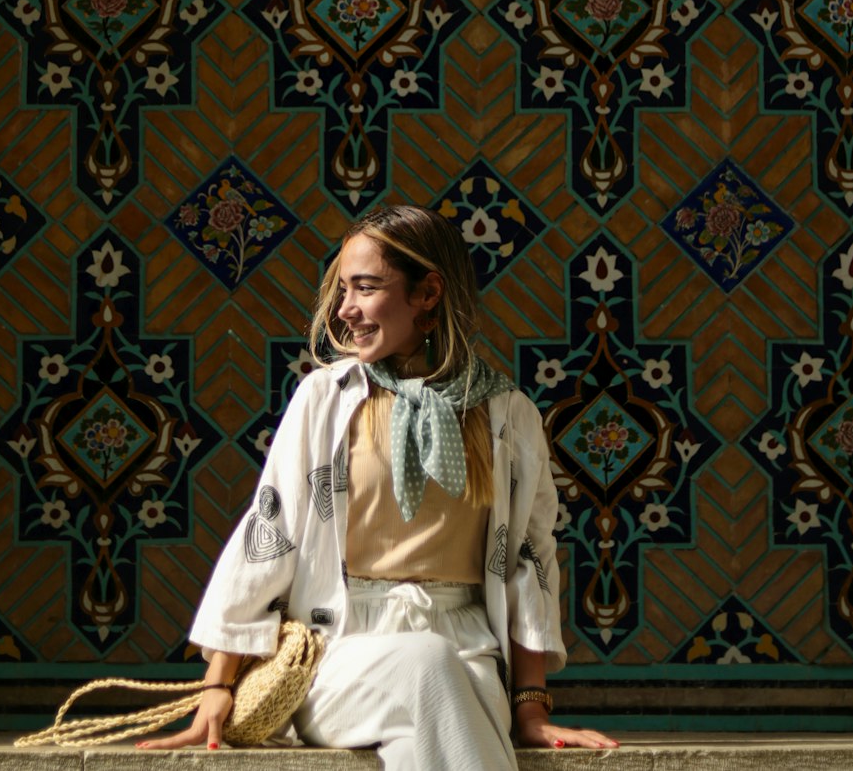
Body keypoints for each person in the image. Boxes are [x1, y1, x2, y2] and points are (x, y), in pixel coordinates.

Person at [139, 205, 618, 764]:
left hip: (469, 653)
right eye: (343, 289)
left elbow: (529, 559)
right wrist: (218, 686)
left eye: (365, 288)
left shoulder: (505, 415)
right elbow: (271, 530)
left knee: (432, 700)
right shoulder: (325, 400)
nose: (345, 309)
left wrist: (531, 707)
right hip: (340, 656)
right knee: (426, 663)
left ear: (429, 294)